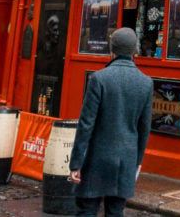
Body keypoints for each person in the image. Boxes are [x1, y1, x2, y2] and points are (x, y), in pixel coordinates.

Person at [69, 27, 154, 217]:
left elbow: (86, 124)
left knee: (87, 210)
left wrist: (76, 163)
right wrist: (137, 161)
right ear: (135, 51)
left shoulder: (99, 79)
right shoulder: (146, 83)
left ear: (111, 50)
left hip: (96, 158)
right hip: (126, 159)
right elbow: (144, 128)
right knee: (116, 211)